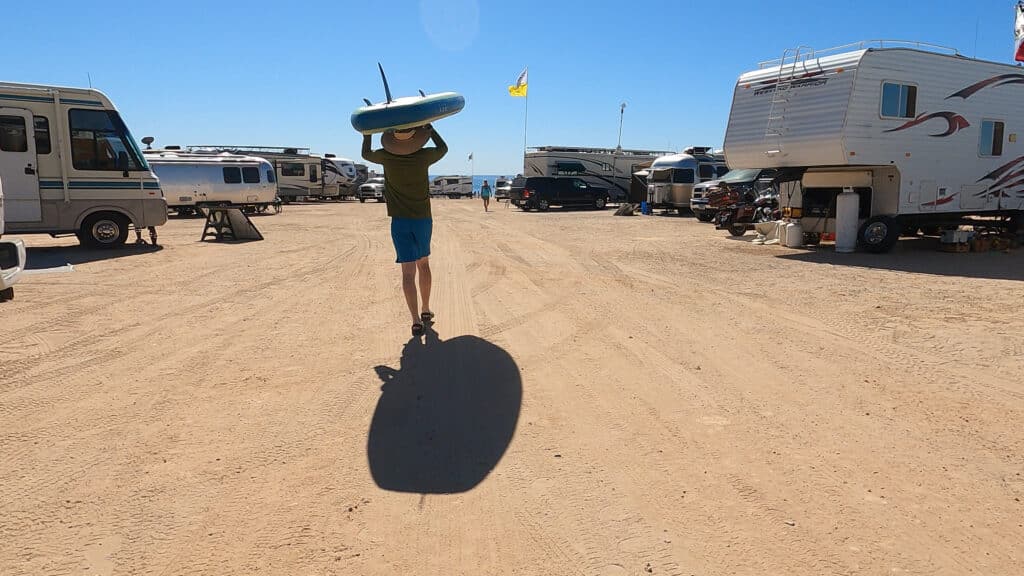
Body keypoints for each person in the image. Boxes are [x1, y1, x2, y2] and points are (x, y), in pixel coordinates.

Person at [362, 124, 448, 336]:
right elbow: (443, 148)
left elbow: (366, 153)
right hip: (422, 220)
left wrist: (367, 133)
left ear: (393, 137)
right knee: (424, 264)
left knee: (407, 273)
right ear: (417, 137)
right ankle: (426, 309)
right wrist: (430, 128)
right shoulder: (424, 156)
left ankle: (416, 320)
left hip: (400, 221)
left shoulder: (386, 156)